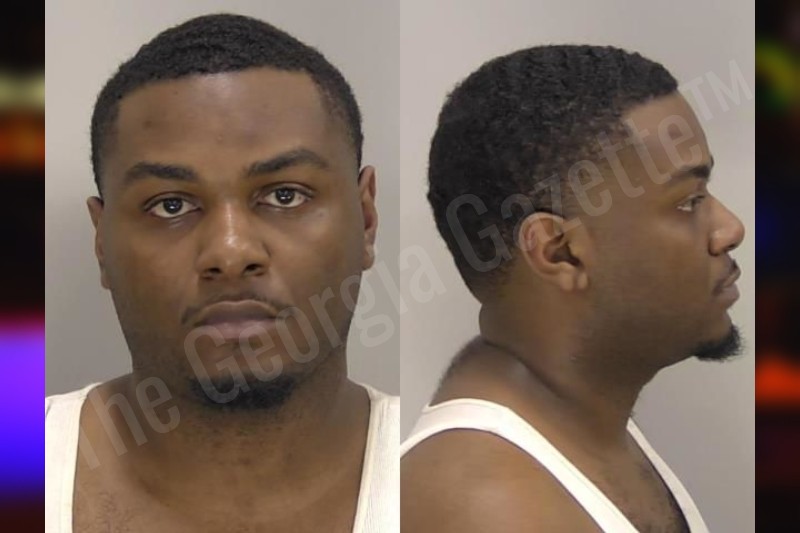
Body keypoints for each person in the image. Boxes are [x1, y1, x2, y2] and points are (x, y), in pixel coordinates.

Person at [45, 14, 398, 533]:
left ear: (366, 220)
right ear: (102, 243)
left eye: (285, 195)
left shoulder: (440, 476)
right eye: (170, 205)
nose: (231, 253)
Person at [401, 45, 745, 532]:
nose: (730, 229)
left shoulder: (580, 419)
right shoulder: (490, 508)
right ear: (558, 251)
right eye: (689, 201)